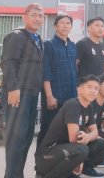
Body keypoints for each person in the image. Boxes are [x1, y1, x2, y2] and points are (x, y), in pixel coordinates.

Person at [0, 3, 45, 178]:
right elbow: (8, 62)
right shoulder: (16, 36)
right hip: (18, 94)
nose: (37, 19)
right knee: (16, 139)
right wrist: (13, 88)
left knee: (26, 138)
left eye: (40, 16)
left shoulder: (38, 39)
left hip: (32, 94)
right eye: (34, 15)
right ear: (24, 17)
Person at [34, 75, 104, 178]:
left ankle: (72, 174)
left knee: (101, 144)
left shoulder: (89, 107)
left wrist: (88, 137)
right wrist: (80, 159)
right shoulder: (72, 105)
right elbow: (74, 139)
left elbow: (95, 132)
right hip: (47, 156)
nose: (93, 91)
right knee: (81, 150)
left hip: (67, 151)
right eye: (89, 87)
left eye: (96, 88)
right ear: (79, 89)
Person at [37, 15, 78, 149]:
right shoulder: (48, 44)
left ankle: (63, 164)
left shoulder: (72, 46)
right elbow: (45, 72)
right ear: (55, 26)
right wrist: (49, 96)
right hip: (54, 98)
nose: (65, 26)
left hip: (70, 97)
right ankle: (41, 162)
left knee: (67, 132)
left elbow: (75, 71)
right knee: (48, 130)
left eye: (68, 23)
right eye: (62, 23)